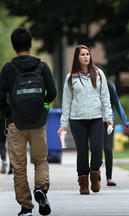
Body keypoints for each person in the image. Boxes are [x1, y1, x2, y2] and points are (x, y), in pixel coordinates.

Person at [0, 27, 57, 216]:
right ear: (30, 45)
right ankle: (40, 188)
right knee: (40, 160)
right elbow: (53, 93)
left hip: (15, 124)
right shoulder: (42, 67)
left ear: (14, 46)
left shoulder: (8, 69)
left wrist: (10, 116)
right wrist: (44, 109)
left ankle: (26, 208)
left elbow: (1, 97)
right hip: (38, 123)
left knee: (19, 166)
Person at [57, 45, 113, 195]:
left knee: (96, 150)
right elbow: (66, 102)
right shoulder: (71, 77)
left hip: (96, 118)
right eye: (82, 54)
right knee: (82, 152)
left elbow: (105, 97)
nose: (86, 57)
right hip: (77, 120)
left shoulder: (99, 74)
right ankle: (83, 183)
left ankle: (95, 175)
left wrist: (109, 118)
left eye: (87, 54)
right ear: (77, 57)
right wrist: (63, 125)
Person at [104, 82, 129, 186]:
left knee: (107, 148)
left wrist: (125, 120)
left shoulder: (110, 87)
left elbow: (116, 103)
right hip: (94, 121)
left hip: (108, 122)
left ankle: (109, 178)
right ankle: (95, 172)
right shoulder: (90, 86)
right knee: (95, 149)